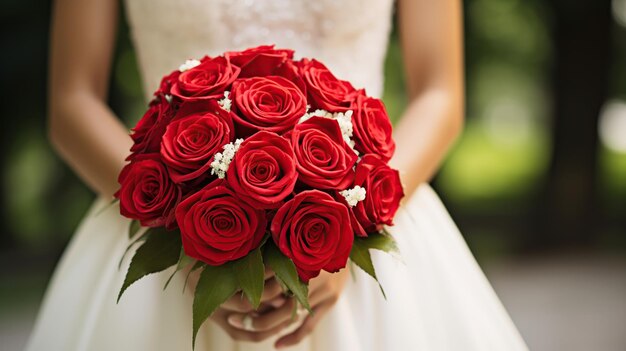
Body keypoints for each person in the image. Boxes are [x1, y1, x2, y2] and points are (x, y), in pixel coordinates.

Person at [27, 0, 528, 350]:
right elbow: (71, 101)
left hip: (363, 218)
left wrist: (347, 229)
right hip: (164, 224)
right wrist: (181, 224)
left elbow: (441, 93)